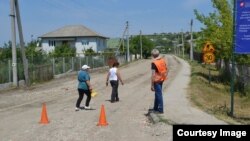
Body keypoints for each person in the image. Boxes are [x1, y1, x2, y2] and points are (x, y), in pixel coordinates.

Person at [151, 49, 168, 114]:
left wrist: (152, 85)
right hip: (162, 79)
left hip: (157, 80)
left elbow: (153, 75)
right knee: (157, 94)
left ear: (152, 55)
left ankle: (160, 110)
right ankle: (155, 108)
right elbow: (166, 69)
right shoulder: (162, 60)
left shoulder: (154, 63)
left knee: (159, 95)